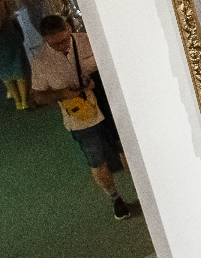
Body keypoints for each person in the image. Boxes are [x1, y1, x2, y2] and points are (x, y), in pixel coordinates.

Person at [31, 15, 131, 220]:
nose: (61, 46)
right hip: (80, 116)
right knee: (97, 160)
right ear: (45, 39)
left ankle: (144, 190)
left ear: (69, 29)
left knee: (126, 148)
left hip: (108, 103)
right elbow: (38, 96)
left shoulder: (88, 40)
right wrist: (62, 94)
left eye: (64, 40)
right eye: (55, 43)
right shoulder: (41, 61)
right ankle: (115, 199)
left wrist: (95, 81)